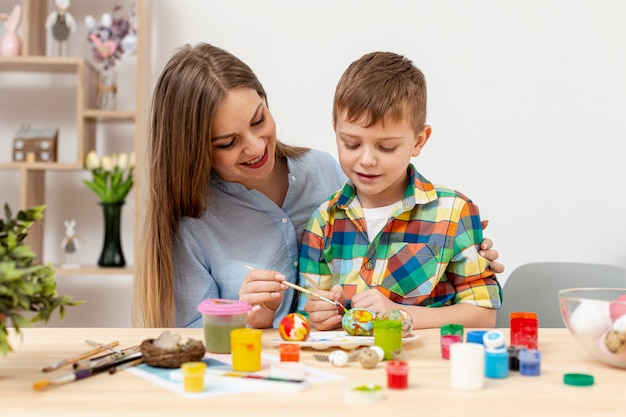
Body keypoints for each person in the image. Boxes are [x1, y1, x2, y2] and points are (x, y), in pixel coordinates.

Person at [133, 43, 503, 329]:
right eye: (228, 143)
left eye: (259, 119)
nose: (256, 146)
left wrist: (460, 241)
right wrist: (252, 320)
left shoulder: (324, 171)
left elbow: (391, 218)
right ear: (195, 148)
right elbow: (194, 343)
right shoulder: (195, 224)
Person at [300, 51, 503, 331]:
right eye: (351, 144)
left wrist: (401, 313)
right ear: (335, 131)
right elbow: (308, 315)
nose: (367, 159)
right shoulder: (323, 222)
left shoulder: (454, 213)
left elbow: (484, 314)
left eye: (386, 147)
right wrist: (318, 315)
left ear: (419, 141)